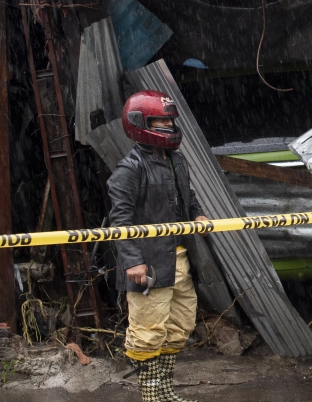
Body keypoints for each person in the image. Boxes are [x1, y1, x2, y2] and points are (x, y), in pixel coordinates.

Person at [107, 90, 209, 402]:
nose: (167, 126)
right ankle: (151, 397)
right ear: (140, 124)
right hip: (148, 264)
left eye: (169, 121)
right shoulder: (130, 168)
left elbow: (186, 196)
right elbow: (119, 219)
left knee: (179, 326)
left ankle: (165, 393)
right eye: (160, 121)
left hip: (179, 259)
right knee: (147, 333)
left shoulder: (177, 160)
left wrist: (197, 213)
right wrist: (132, 261)